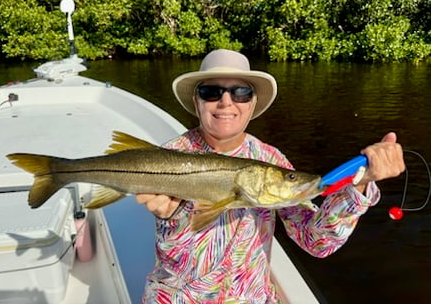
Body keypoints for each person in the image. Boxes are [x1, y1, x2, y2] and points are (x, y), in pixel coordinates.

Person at [136, 49, 405, 303]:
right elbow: (176, 257)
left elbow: (317, 241)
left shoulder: (271, 159)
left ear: (252, 103)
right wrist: (173, 218)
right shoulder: (169, 157)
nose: (226, 101)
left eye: (241, 92)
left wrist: (360, 185)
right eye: (211, 91)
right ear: (197, 101)